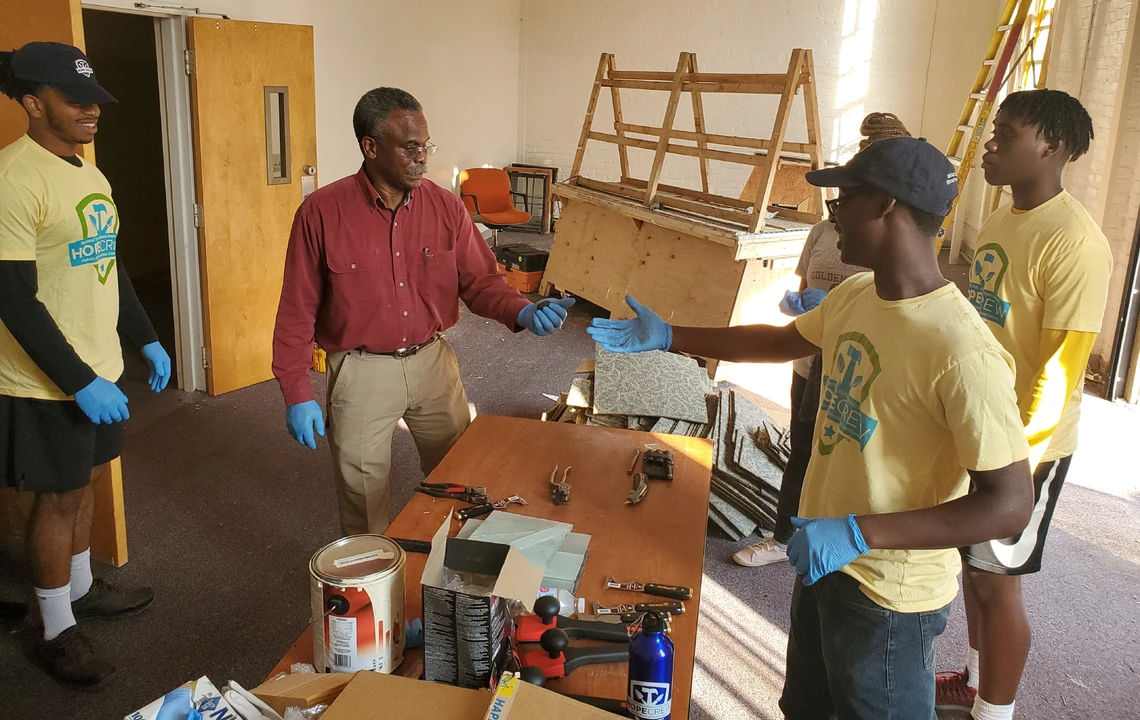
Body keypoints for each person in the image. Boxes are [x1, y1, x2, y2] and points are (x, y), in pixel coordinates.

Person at [588, 137, 1035, 719]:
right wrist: (671, 335)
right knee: (805, 708)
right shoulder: (858, 294)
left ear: (886, 205)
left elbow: (1010, 505)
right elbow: (780, 342)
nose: (833, 217)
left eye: (842, 201)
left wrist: (859, 532)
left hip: (887, 595)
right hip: (824, 560)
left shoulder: (962, 351)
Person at [272, 87, 574, 536]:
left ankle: (453, 566)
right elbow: (296, 310)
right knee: (362, 499)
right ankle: (374, 575)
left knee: (461, 476)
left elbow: (481, 281)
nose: (423, 159)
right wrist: (296, 391)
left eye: (426, 146)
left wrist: (523, 311)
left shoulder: (445, 206)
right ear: (370, 147)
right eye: (410, 148)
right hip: (361, 373)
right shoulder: (321, 213)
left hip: (433, 363)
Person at [935, 90, 1113, 720]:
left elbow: (1061, 375)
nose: (989, 146)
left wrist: (1016, 463)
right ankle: (975, 681)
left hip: (1026, 446)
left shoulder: (1076, 242)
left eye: (1006, 135)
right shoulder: (1003, 218)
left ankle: (995, 712)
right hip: (981, 425)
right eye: (994, 132)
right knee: (974, 570)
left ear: (1052, 146)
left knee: (997, 580)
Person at [0, 42, 172, 686]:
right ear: (32, 103)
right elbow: (11, 298)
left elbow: (109, 264)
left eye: (95, 99)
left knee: (90, 480)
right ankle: (55, 630)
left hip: (101, 369)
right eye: (75, 100)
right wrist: (79, 381)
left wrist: (144, 339)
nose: (92, 110)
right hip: (48, 381)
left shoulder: (90, 175)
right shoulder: (13, 178)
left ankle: (79, 588)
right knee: (59, 498)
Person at [733, 112, 908, 569]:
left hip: (854, 366)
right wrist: (799, 305)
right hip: (810, 358)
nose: (841, 210)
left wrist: (833, 304)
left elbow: (891, 307)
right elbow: (798, 297)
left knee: (847, 455)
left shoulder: (890, 243)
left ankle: (847, 535)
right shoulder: (823, 232)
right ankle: (785, 536)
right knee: (804, 450)